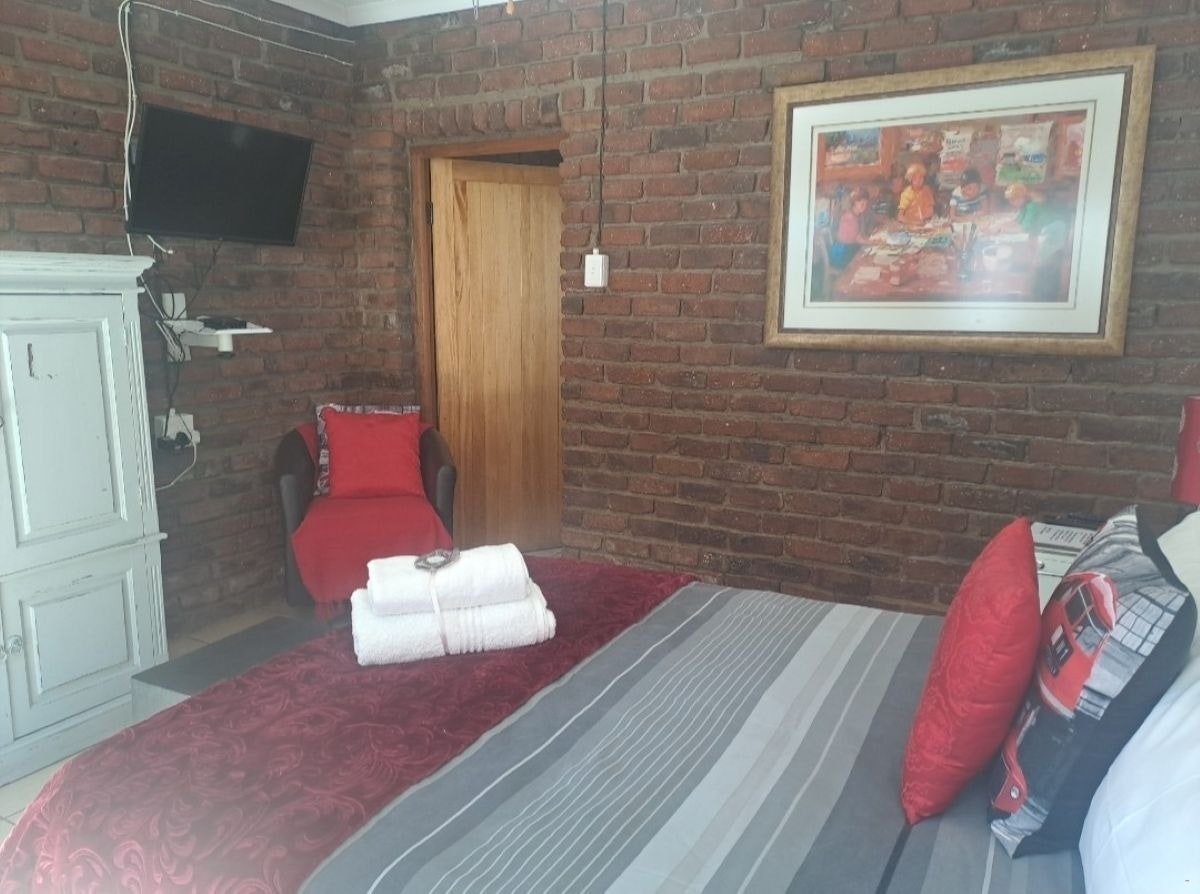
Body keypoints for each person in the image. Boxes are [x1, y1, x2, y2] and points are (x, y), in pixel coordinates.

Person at [830, 188, 873, 267]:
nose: (864, 206)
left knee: (869, 258)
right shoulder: (849, 217)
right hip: (842, 253)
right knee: (867, 262)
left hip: (851, 249)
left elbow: (861, 235)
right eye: (861, 203)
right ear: (854, 203)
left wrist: (871, 240)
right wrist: (875, 242)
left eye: (866, 203)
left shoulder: (858, 215)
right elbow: (858, 239)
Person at [896, 162, 935, 226]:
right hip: (910, 226)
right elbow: (900, 217)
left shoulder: (926, 190)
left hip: (925, 224)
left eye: (921, 177)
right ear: (910, 179)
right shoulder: (906, 193)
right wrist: (914, 222)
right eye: (915, 178)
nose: (919, 180)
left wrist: (924, 217)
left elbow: (931, 210)